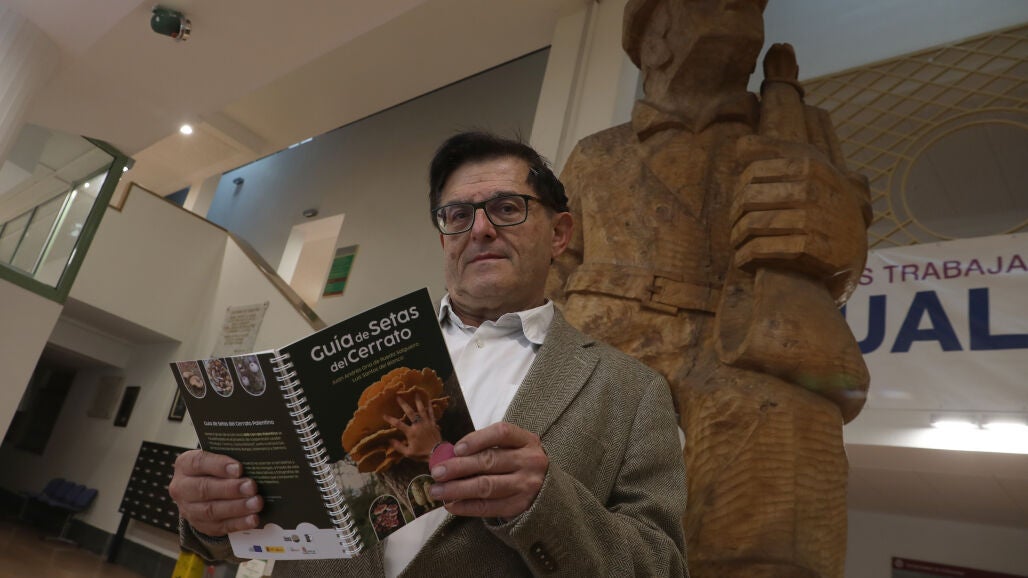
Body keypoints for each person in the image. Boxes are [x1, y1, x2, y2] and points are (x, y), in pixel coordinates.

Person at [170, 131, 689, 577]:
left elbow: (661, 565)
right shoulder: (338, 361)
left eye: (508, 208)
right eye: (458, 215)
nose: (480, 229)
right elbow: (240, 530)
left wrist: (547, 504)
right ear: (444, 239)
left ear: (559, 234)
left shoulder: (632, 390)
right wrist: (210, 515)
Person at [548, 2, 871, 577]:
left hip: (743, 337)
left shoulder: (798, 132)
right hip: (606, 332)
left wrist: (834, 231)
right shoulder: (596, 153)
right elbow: (552, 269)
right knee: (561, 496)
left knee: (778, 462)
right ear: (654, 41)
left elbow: (839, 269)